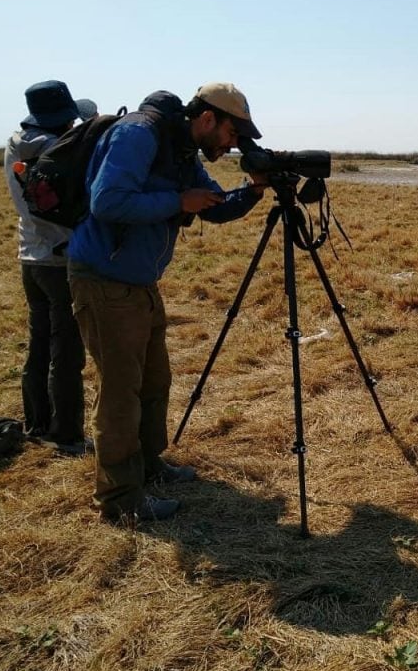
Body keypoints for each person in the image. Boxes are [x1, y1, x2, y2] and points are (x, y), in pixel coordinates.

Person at [67, 83, 268, 524]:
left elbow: (213, 207)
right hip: (104, 280)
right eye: (233, 133)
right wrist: (178, 201)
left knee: (155, 381)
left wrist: (253, 191)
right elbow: (106, 201)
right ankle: (120, 499)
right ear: (209, 118)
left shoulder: (182, 152)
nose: (234, 144)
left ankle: (149, 466)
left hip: (139, 283)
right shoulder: (139, 135)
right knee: (121, 392)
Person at [4, 80, 91, 456]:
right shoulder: (59, 149)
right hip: (59, 260)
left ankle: (37, 422)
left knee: (39, 343)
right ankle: (66, 434)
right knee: (66, 349)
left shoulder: (15, 143)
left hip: (30, 256)